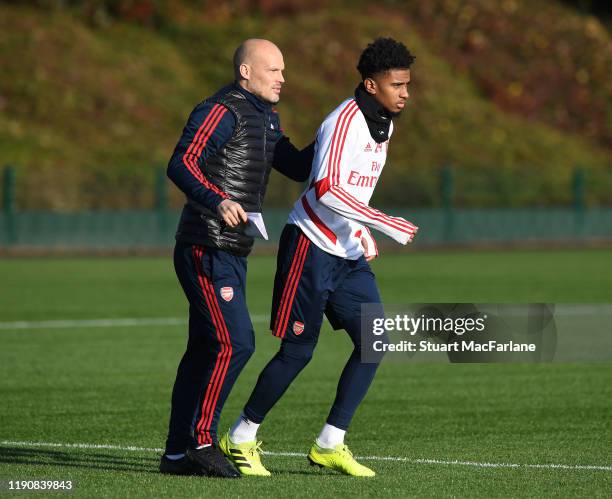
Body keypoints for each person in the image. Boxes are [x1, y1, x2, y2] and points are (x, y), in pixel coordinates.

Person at [219, 37, 418, 477]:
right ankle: (240, 436)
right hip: (309, 246)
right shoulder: (343, 121)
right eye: (397, 85)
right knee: (298, 351)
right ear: (370, 85)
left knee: (375, 341)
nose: (405, 93)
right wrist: (382, 221)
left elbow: (354, 188)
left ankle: (331, 442)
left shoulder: (385, 125)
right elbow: (325, 189)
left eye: (407, 84)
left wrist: (361, 230)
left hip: (347, 253)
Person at [160, 38, 314, 478]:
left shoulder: (267, 118)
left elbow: (300, 167)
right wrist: (216, 200)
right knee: (235, 342)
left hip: (232, 251)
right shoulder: (220, 110)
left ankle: (175, 455)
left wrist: (344, 125)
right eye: (274, 70)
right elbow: (180, 162)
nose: (283, 78)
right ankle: (202, 442)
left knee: (203, 349)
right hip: (205, 245)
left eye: (284, 70)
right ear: (245, 72)